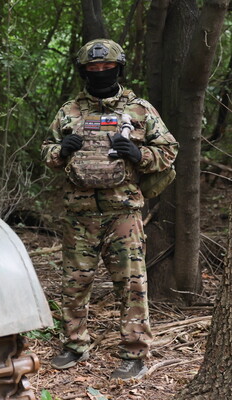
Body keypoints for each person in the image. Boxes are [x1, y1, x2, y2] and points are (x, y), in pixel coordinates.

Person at [41, 38, 178, 381]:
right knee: (74, 284)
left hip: (123, 213)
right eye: (93, 67)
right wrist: (61, 150)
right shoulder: (69, 111)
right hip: (79, 214)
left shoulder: (140, 110)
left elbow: (169, 151)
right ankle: (75, 345)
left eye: (107, 67)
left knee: (131, 285)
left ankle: (135, 354)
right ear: (83, 71)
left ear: (118, 68)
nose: (100, 71)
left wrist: (139, 155)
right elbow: (47, 152)